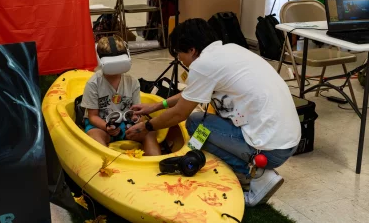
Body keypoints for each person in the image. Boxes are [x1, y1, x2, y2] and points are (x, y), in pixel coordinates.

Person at [126, 19, 301, 207]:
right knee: (203, 128)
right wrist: (155, 107)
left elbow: (179, 114)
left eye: (179, 54)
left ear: (192, 50)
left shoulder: (203, 66)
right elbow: (191, 93)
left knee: (195, 124)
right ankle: (250, 168)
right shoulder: (230, 50)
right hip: (288, 140)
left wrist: (145, 127)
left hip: (269, 150)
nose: (180, 60)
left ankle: (256, 174)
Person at [81, 35, 161, 156]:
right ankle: (106, 163)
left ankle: (154, 163)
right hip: (101, 126)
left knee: (149, 132)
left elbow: (136, 110)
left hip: (127, 125)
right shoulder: (93, 83)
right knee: (94, 137)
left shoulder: (132, 82)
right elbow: (93, 116)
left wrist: (137, 119)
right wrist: (107, 127)